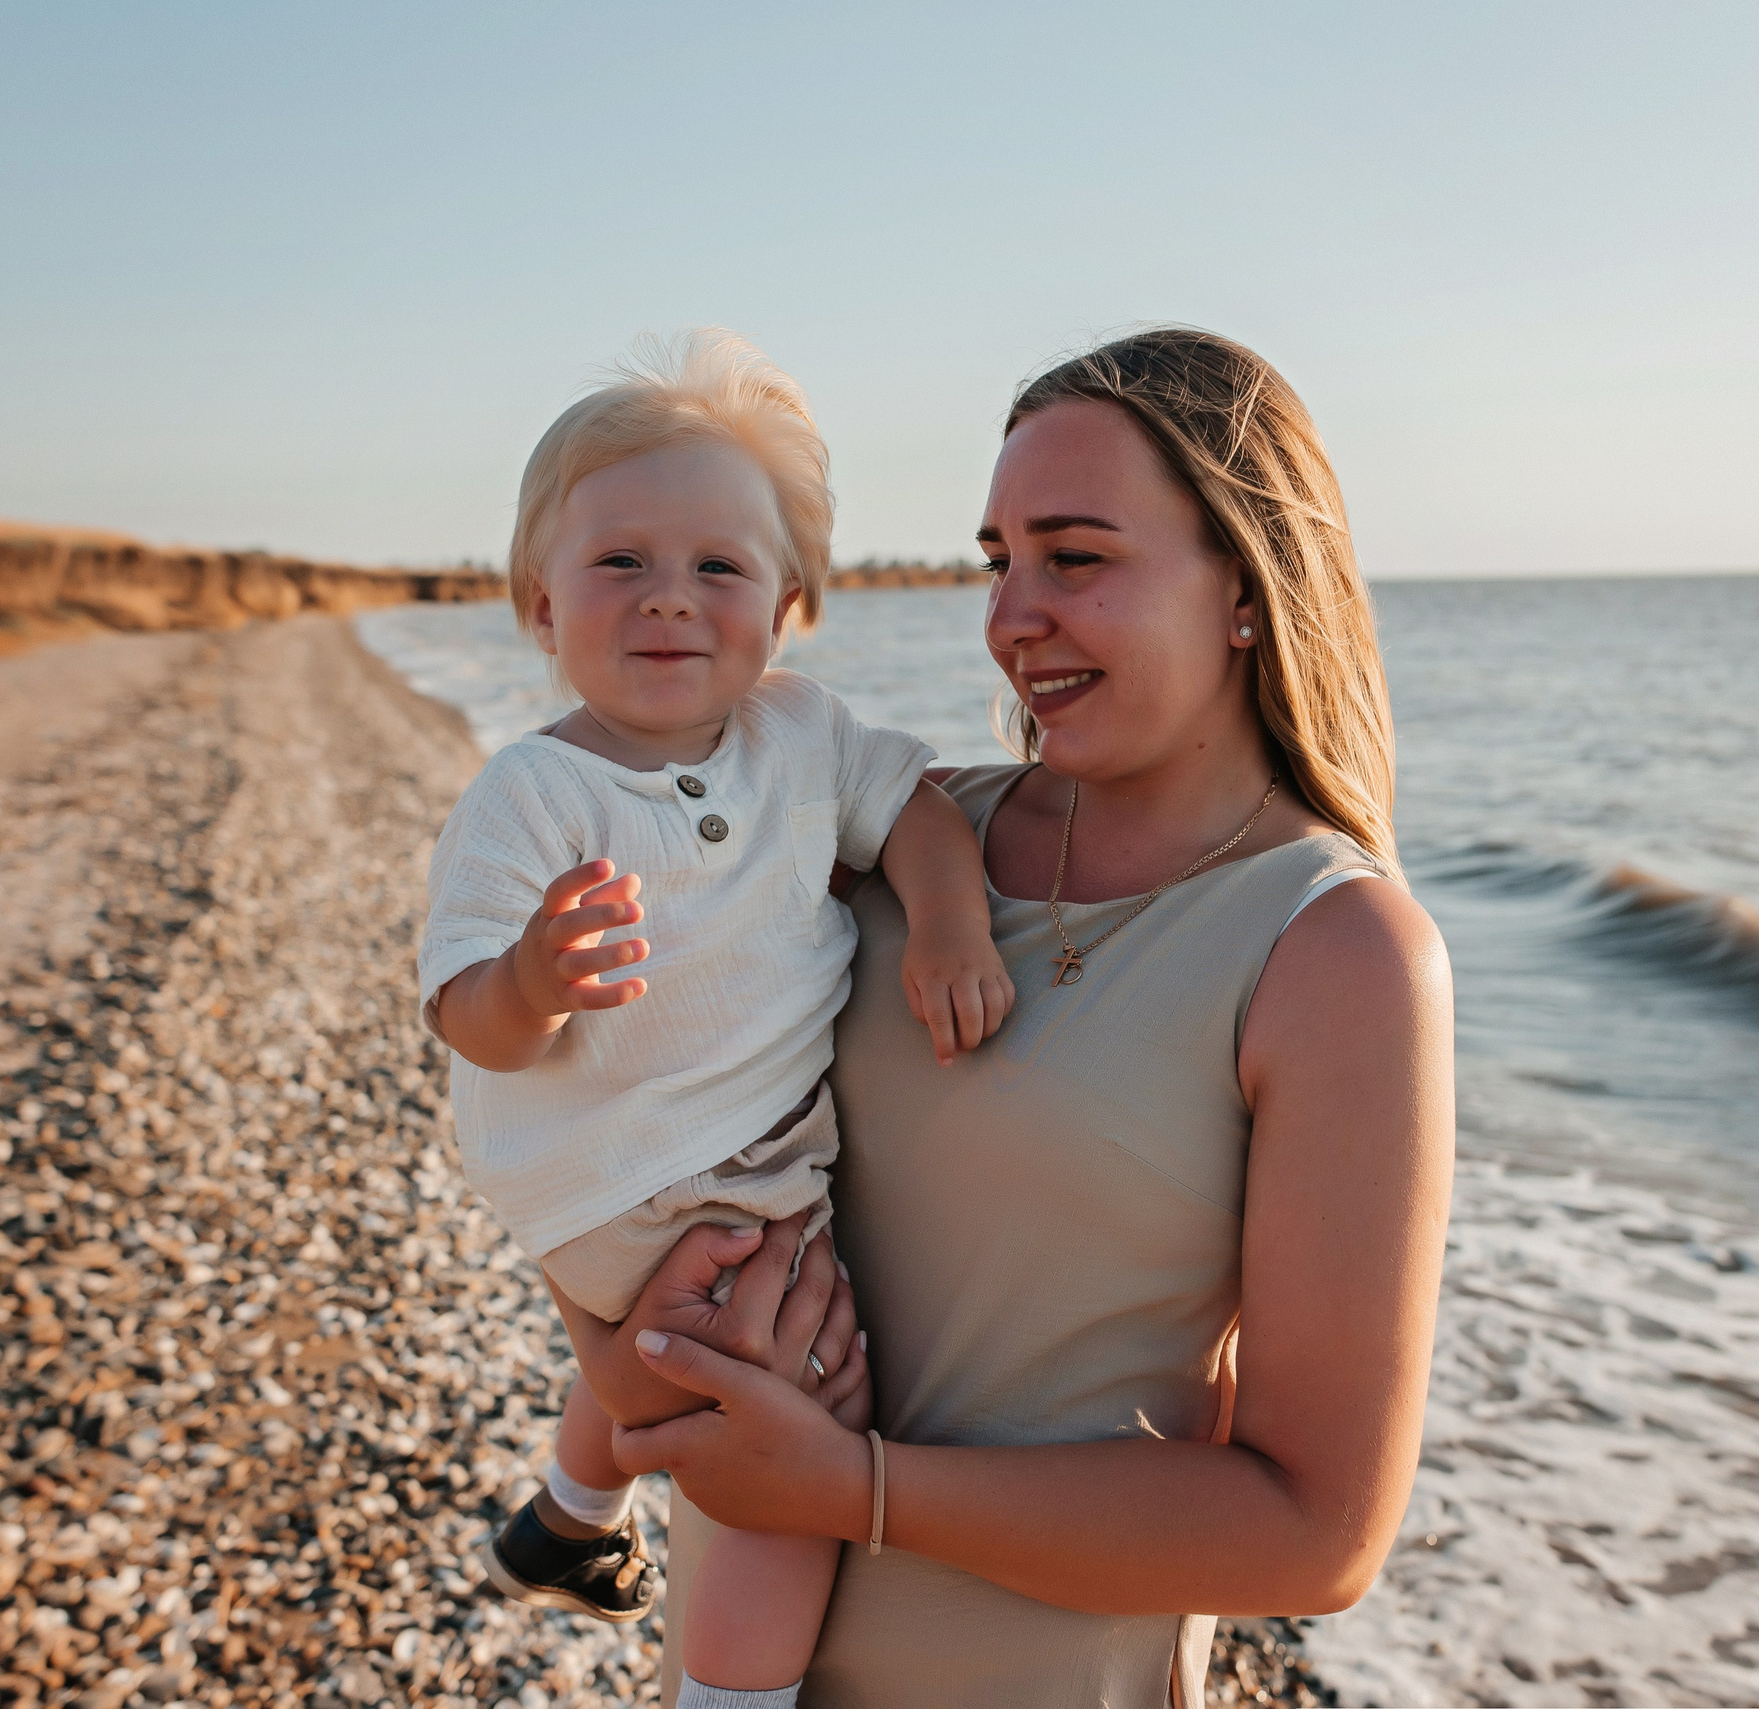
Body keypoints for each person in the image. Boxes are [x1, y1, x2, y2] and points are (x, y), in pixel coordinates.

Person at [599, 326, 1456, 1706]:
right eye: (1000, 560)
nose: (1010, 616)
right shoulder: (892, 838)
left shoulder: (1337, 950)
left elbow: (1317, 1530)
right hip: (731, 1657)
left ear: (1245, 585)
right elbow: (613, 1092)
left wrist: (856, 1489)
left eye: (1076, 556)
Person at [417, 332, 1014, 1708]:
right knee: (789, 1409)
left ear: (791, 605)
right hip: (629, 1172)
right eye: (620, 562)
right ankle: (729, 1696)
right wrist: (534, 981)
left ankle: (569, 1514)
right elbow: (468, 1014)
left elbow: (918, 812)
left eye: (720, 567)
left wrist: (949, 920)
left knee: (687, 1350)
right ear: (539, 602)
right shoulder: (532, 794)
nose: (670, 600)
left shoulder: (801, 734)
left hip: (674, 1169)